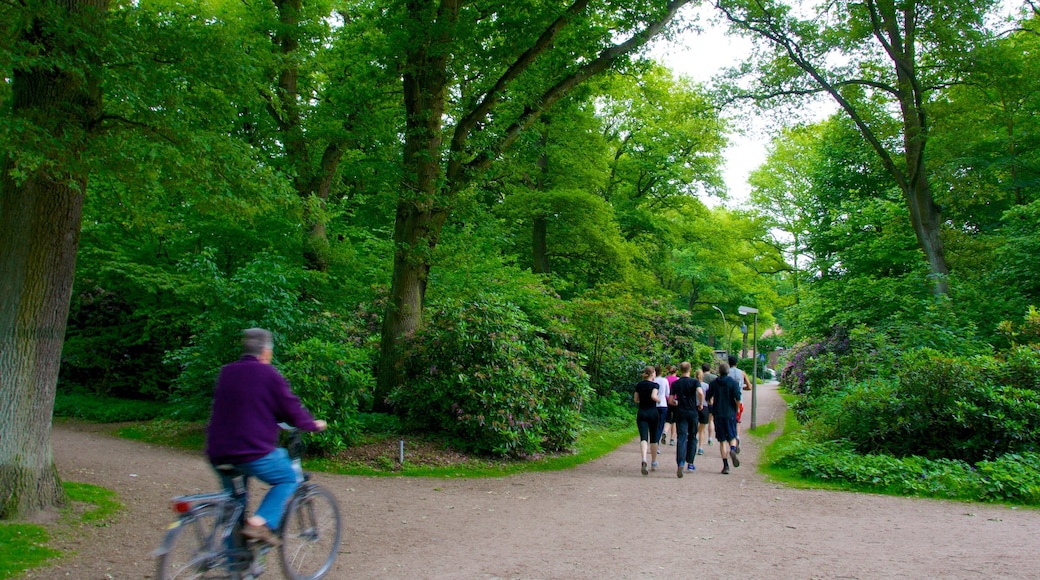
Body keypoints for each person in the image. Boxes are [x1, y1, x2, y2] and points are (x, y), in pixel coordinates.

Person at [206, 328, 327, 545]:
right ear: (265, 352)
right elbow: (291, 408)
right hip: (251, 451)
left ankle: (236, 567)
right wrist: (312, 424)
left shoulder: (227, 372)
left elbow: (248, 406)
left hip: (218, 452)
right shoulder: (268, 374)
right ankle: (261, 523)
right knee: (287, 477)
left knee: (235, 505)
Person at [705, 362, 741, 474]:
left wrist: (712, 406)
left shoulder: (714, 383)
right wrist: (737, 408)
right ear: (728, 371)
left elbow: (708, 398)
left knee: (722, 440)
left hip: (718, 414)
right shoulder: (732, 383)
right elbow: (738, 397)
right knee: (732, 436)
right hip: (730, 413)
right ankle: (733, 450)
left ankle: (725, 466)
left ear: (719, 372)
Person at [669, 362, 700, 478]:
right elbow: (700, 392)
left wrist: (677, 402)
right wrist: (700, 403)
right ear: (690, 370)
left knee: (681, 437)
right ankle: (690, 463)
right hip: (692, 412)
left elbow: (671, 400)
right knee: (692, 436)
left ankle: (680, 463)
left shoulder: (676, 384)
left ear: (680, 370)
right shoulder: (694, 382)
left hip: (680, 412)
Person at [634, 366, 661, 475]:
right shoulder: (655, 385)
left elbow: (636, 400)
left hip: (642, 413)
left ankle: (644, 458)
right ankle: (653, 461)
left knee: (643, 438)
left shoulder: (639, 385)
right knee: (654, 439)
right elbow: (654, 396)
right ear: (652, 374)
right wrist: (658, 400)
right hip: (653, 413)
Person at [652, 365, 670, 468]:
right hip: (663, 404)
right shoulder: (664, 380)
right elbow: (667, 393)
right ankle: (656, 444)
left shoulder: (653, 380)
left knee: (654, 425)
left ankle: (654, 441)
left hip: (654, 405)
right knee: (660, 425)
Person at [694, 367, 710, 456]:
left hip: (694, 407)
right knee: (702, 429)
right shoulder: (706, 386)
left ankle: (693, 441)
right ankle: (700, 447)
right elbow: (709, 398)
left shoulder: (693, 385)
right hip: (704, 407)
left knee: (694, 426)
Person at [701, 363, 717, 446]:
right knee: (711, 420)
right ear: (709, 369)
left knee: (700, 422)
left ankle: (699, 437)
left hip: (701, 402)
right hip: (711, 401)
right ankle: (710, 438)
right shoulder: (714, 377)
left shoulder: (700, 377)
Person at [663, 365, 679, 446]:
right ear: (676, 371)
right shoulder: (678, 380)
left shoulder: (666, 379)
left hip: (667, 401)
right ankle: (672, 439)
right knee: (675, 420)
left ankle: (665, 431)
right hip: (676, 401)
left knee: (668, 419)